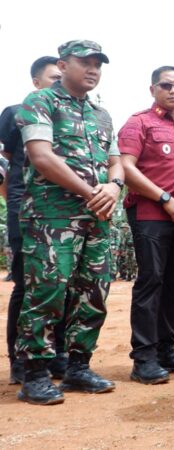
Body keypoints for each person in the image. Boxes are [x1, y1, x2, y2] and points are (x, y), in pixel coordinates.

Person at [14, 40, 121, 405]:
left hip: (98, 219)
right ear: (63, 64)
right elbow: (41, 157)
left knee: (94, 293)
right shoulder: (40, 103)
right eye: (85, 62)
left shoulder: (101, 114)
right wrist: (92, 191)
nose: (93, 69)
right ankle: (35, 374)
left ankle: (78, 366)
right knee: (47, 293)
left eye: (98, 64)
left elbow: (115, 161)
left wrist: (114, 185)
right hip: (51, 217)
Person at [118, 65, 174, 385]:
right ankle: (144, 358)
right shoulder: (138, 123)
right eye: (166, 85)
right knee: (151, 282)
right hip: (151, 213)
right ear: (152, 89)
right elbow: (126, 168)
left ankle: (167, 351)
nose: (173, 91)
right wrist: (165, 197)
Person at [0, 56, 65, 385]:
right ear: (36, 82)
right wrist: (14, 202)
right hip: (25, 209)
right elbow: (8, 161)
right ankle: (19, 361)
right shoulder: (15, 113)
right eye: (54, 77)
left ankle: (56, 356)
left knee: (63, 286)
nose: (59, 82)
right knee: (27, 284)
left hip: (63, 212)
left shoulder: (75, 114)